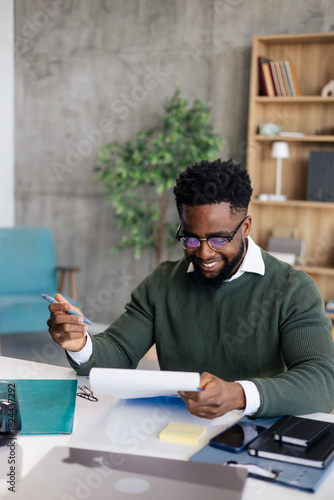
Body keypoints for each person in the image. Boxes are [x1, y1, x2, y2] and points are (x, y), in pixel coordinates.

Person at [48, 158, 334, 419]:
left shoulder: (292, 289)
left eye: (219, 239)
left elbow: (322, 380)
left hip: (259, 433)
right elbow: (118, 352)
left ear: (245, 227)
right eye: (191, 239)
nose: (205, 253)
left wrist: (238, 395)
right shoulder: (162, 283)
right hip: (175, 427)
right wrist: (80, 344)